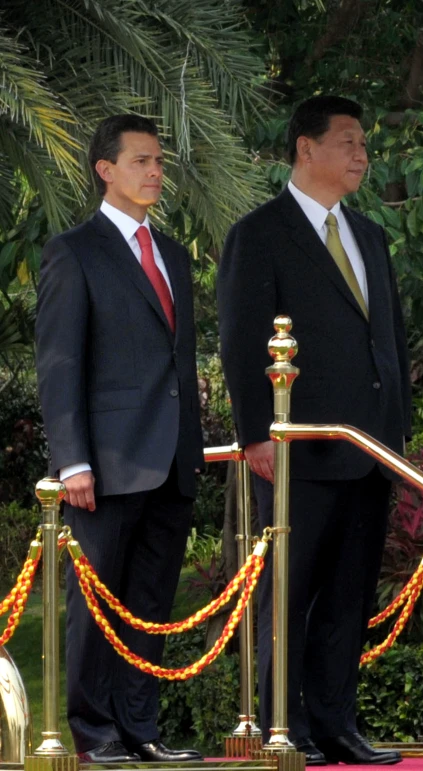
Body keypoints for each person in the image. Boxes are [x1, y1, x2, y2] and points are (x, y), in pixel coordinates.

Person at [217, 95, 411, 766]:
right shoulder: (260, 234)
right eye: (349, 141)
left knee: (349, 597)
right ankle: (286, 727)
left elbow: (387, 342)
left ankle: (337, 724)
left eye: (364, 143)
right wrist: (255, 433)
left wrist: (397, 435)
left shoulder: (371, 237)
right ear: (307, 148)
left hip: (370, 449)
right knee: (289, 593)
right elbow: (242, 340)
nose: (362, 154)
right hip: (298, 451)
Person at [35, 115, 204, 764]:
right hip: (103, 466)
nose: (155, 171)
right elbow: (59, 364)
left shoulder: (176, 257)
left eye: (158, 161)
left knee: (150, 608)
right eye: (141, 160)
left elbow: (176, 362)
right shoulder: (74, 251)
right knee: (98, 607)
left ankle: (141, 729)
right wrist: (71, 457)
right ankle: (94, 731)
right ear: (106, 170)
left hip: (172, 464)